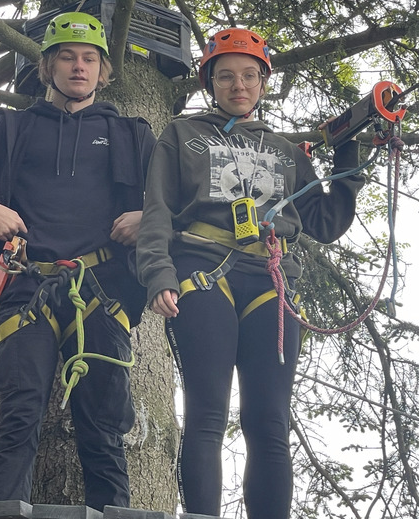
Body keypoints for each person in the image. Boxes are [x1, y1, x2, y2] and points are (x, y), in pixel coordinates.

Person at [0, 11, 156, 511]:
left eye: (90, 59)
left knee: (103, 426)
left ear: (103, 70)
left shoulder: (131, 136)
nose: (79, 67)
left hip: (100, 290)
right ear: (48, 65)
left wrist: (148, 217)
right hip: (24, 287)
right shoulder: (12, 129)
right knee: (19, 415)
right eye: (68, 57)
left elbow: (179, 200)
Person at [135, 28, 365, 519]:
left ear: (262, 82)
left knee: (269, 420)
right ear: (210, 83)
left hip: (270, 278)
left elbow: (324, 223)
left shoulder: (287, 151)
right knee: (207, 414)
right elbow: (157, 212)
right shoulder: (182, 135)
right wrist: (159, 273)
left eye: (248, 76)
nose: (237, 86)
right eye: (225, 77)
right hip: (204, 270)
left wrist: (348, 153)